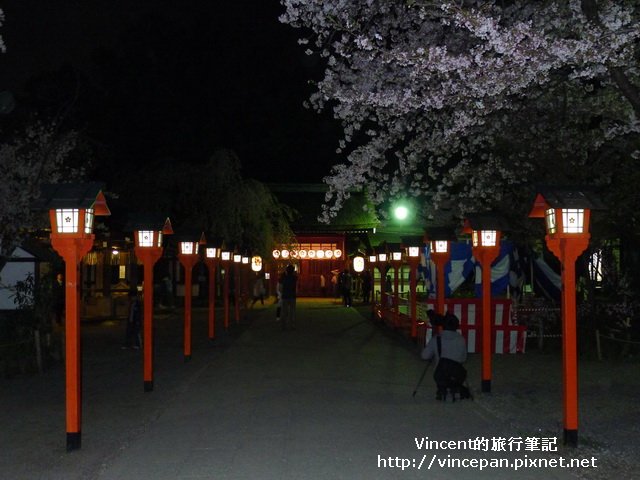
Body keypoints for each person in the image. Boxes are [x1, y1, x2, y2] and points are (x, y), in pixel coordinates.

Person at [421, 313, 467, 401]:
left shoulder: (436, 339)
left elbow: (424, 356)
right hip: (457, 374)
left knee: (440, 369)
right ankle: (455, 388)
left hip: (440, 374)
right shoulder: (461, 339)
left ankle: (442, 389)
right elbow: (463, 358)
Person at [279, 264, 298, 330]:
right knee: (292, 311)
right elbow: (296, 287)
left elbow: (280, 287)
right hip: (292, 296)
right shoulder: (294, 278)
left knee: (284, 311)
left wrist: (281, 293)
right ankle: (292, 325)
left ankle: (284, 325)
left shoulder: (283, 278)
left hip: (285, 296)